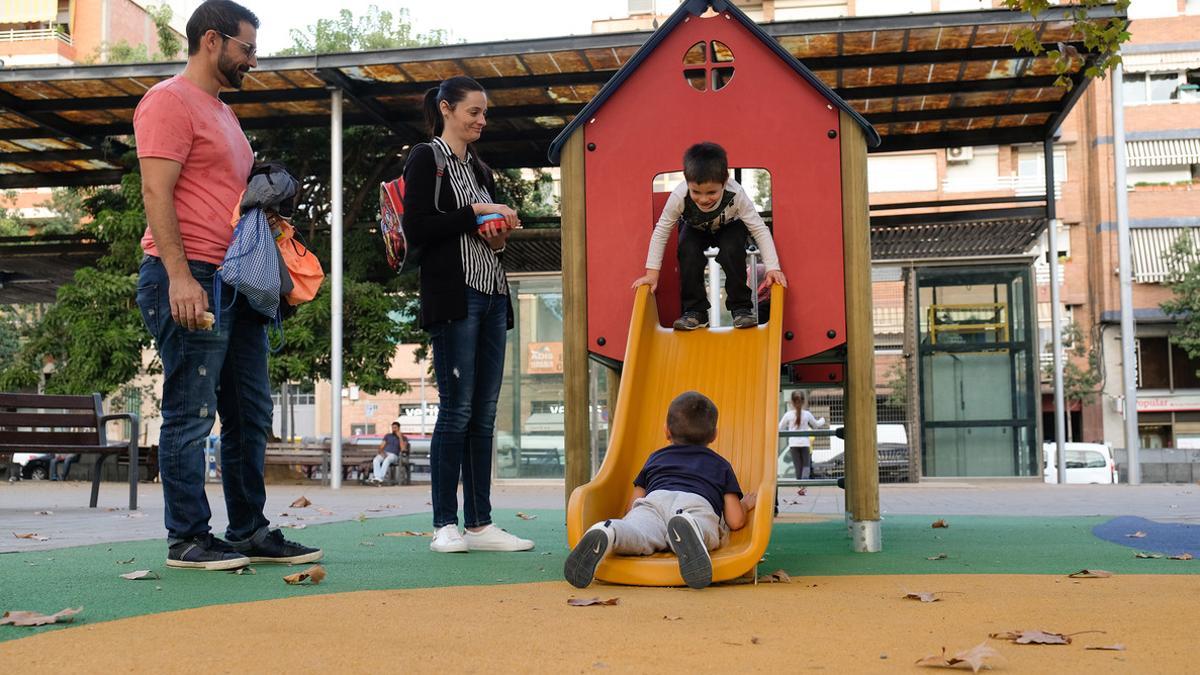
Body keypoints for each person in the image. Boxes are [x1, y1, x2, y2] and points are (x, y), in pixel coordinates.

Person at [134, 0, 320, 571]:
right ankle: (187, 538)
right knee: (191, 413)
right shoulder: (168, 101)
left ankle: (247, 530)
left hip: (238, 281)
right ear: (212, 41)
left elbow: (224, 198)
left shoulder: (224, 113)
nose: (254, 61)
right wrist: (180, 277)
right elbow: (155, 193)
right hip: (193, 276)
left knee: (250, 415)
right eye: (248, 48)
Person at [402, 75, 533, 554]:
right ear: (446, 108)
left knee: (484, 413)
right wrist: (476, 210)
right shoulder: (426, 157)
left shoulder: (479, 167)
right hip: (455, 296)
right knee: (456, 411)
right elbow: (416, 226)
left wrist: (496, 229)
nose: (481, 120)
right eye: (473, 111)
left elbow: (486, 239)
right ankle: (444, 525)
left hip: (492, 292)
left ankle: (480, 522)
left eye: (484, 112)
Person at [564, 391, 757, 589]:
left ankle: (609, 531)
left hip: (654, 501)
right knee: (704, 527)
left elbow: (632, 506)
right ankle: (692, 527)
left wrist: (634, 516)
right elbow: (735, 520)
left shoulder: (655, 458)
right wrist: (745, 504)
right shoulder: (720, 464)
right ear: (714, 435)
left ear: (666, 431)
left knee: (638, 532)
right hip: (695, 503)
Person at [633, 142, 787, 330]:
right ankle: (695, 311)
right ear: (687, 181)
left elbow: (759, 229)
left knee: (732, 248)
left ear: (724, 181)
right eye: (696, 192)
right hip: (695, 228)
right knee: (687, 248)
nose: (704, 199)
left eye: (712, 192)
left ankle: (741, 308)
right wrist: (652, 274)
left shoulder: (735, 193)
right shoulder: (679, 196)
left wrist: (773, 267)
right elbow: (661, 231)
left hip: (729, 226)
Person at [779, 390, 826, 492]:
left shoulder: (788, 415)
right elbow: (816, 424)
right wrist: (823, 420)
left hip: (793, 444)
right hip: (805, 443)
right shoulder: (807, 414)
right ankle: (804, 485)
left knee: (798, 466)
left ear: (791, 401)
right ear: (804, 401)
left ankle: (800, 485)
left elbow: (779, 428)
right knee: (806, 465)